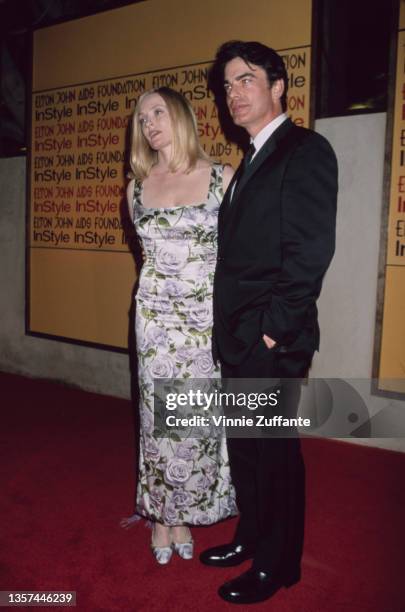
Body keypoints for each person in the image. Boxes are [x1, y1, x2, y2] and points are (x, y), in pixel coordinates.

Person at [200, 41, 338, 604]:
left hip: (271, 340)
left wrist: (271, 330)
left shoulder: (305, 150)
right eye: (227, 85)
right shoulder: (251, 160)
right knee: (246, 449)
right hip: (239, 337)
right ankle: (251, 537)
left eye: (245, 79)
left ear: (278, 86)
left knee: (275, 454)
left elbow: (309, 252)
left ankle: (277, 566)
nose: (233, 93)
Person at [126, 86, 236, 565]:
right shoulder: (137, 188)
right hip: (153, 319)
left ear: (182, 117)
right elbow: (146, 258)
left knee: (191, 422)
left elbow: (240, 256)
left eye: (158, 112)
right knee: (155, 421)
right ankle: (160, 517)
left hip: (203, 319)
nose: (149, 123)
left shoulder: (221, 178)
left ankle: (185, 512)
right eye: (142, 117)